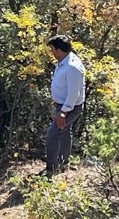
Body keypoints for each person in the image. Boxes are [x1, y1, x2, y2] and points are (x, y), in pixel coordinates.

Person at [44, 34, 86, 177]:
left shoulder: (72, 67)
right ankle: (63, 162)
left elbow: (74, 94)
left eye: (52, 50)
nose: (51, 52)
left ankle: (51, 170)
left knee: (53, 134)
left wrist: (63, 112)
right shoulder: (63, 61)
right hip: (62, 106)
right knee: (64, 133)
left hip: (69, 108)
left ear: (59, 50)